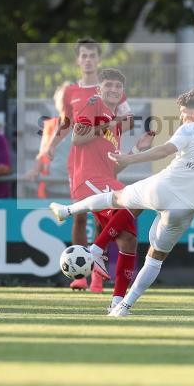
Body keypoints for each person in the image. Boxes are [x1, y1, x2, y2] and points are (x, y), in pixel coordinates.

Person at [50, 88, 194, 317]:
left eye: (184, 113)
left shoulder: (191, 128)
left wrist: (130, 158)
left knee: (118, 199)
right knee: (156, 257)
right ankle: (123, 307)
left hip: (163, 189)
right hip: (186, 208)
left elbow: (164, 151)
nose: (182, 118)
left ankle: (68, 212)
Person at [39, 39, 131, 292]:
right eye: (84, 55)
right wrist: (53, 144)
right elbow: (67, 123)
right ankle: (80, 275)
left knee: (105, 218)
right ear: (78, 61)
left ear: (98, 60)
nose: (88, 59)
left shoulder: (110, 90)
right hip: (78, 163)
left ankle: (99, 276)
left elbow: (128, 119)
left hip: (103, 161)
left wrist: (109, 124)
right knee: (79, 215)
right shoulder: (71, 91)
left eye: (92, 55)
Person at [69, 68, 154, 309]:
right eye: (109, 85)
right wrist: (108, 124)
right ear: (99, 89)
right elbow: (77, 137)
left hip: (104, 179)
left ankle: (117, 302)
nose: (114, 90)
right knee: (136, 199)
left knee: (128, 240)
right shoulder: (94, 104)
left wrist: (138, 149)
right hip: (88, 179)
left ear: (122, 92)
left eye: (118, 86)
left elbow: (113, 171)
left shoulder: (113, 122)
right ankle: (95, 249)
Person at [26, 82, 71, 199]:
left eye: (69, 97)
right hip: (53, 186)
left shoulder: (84, 124)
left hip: (77, 187)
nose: (65, 101)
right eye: (62, 98)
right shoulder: (51, 125)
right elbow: (43, 153)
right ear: (56, 101)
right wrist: (35, 169)